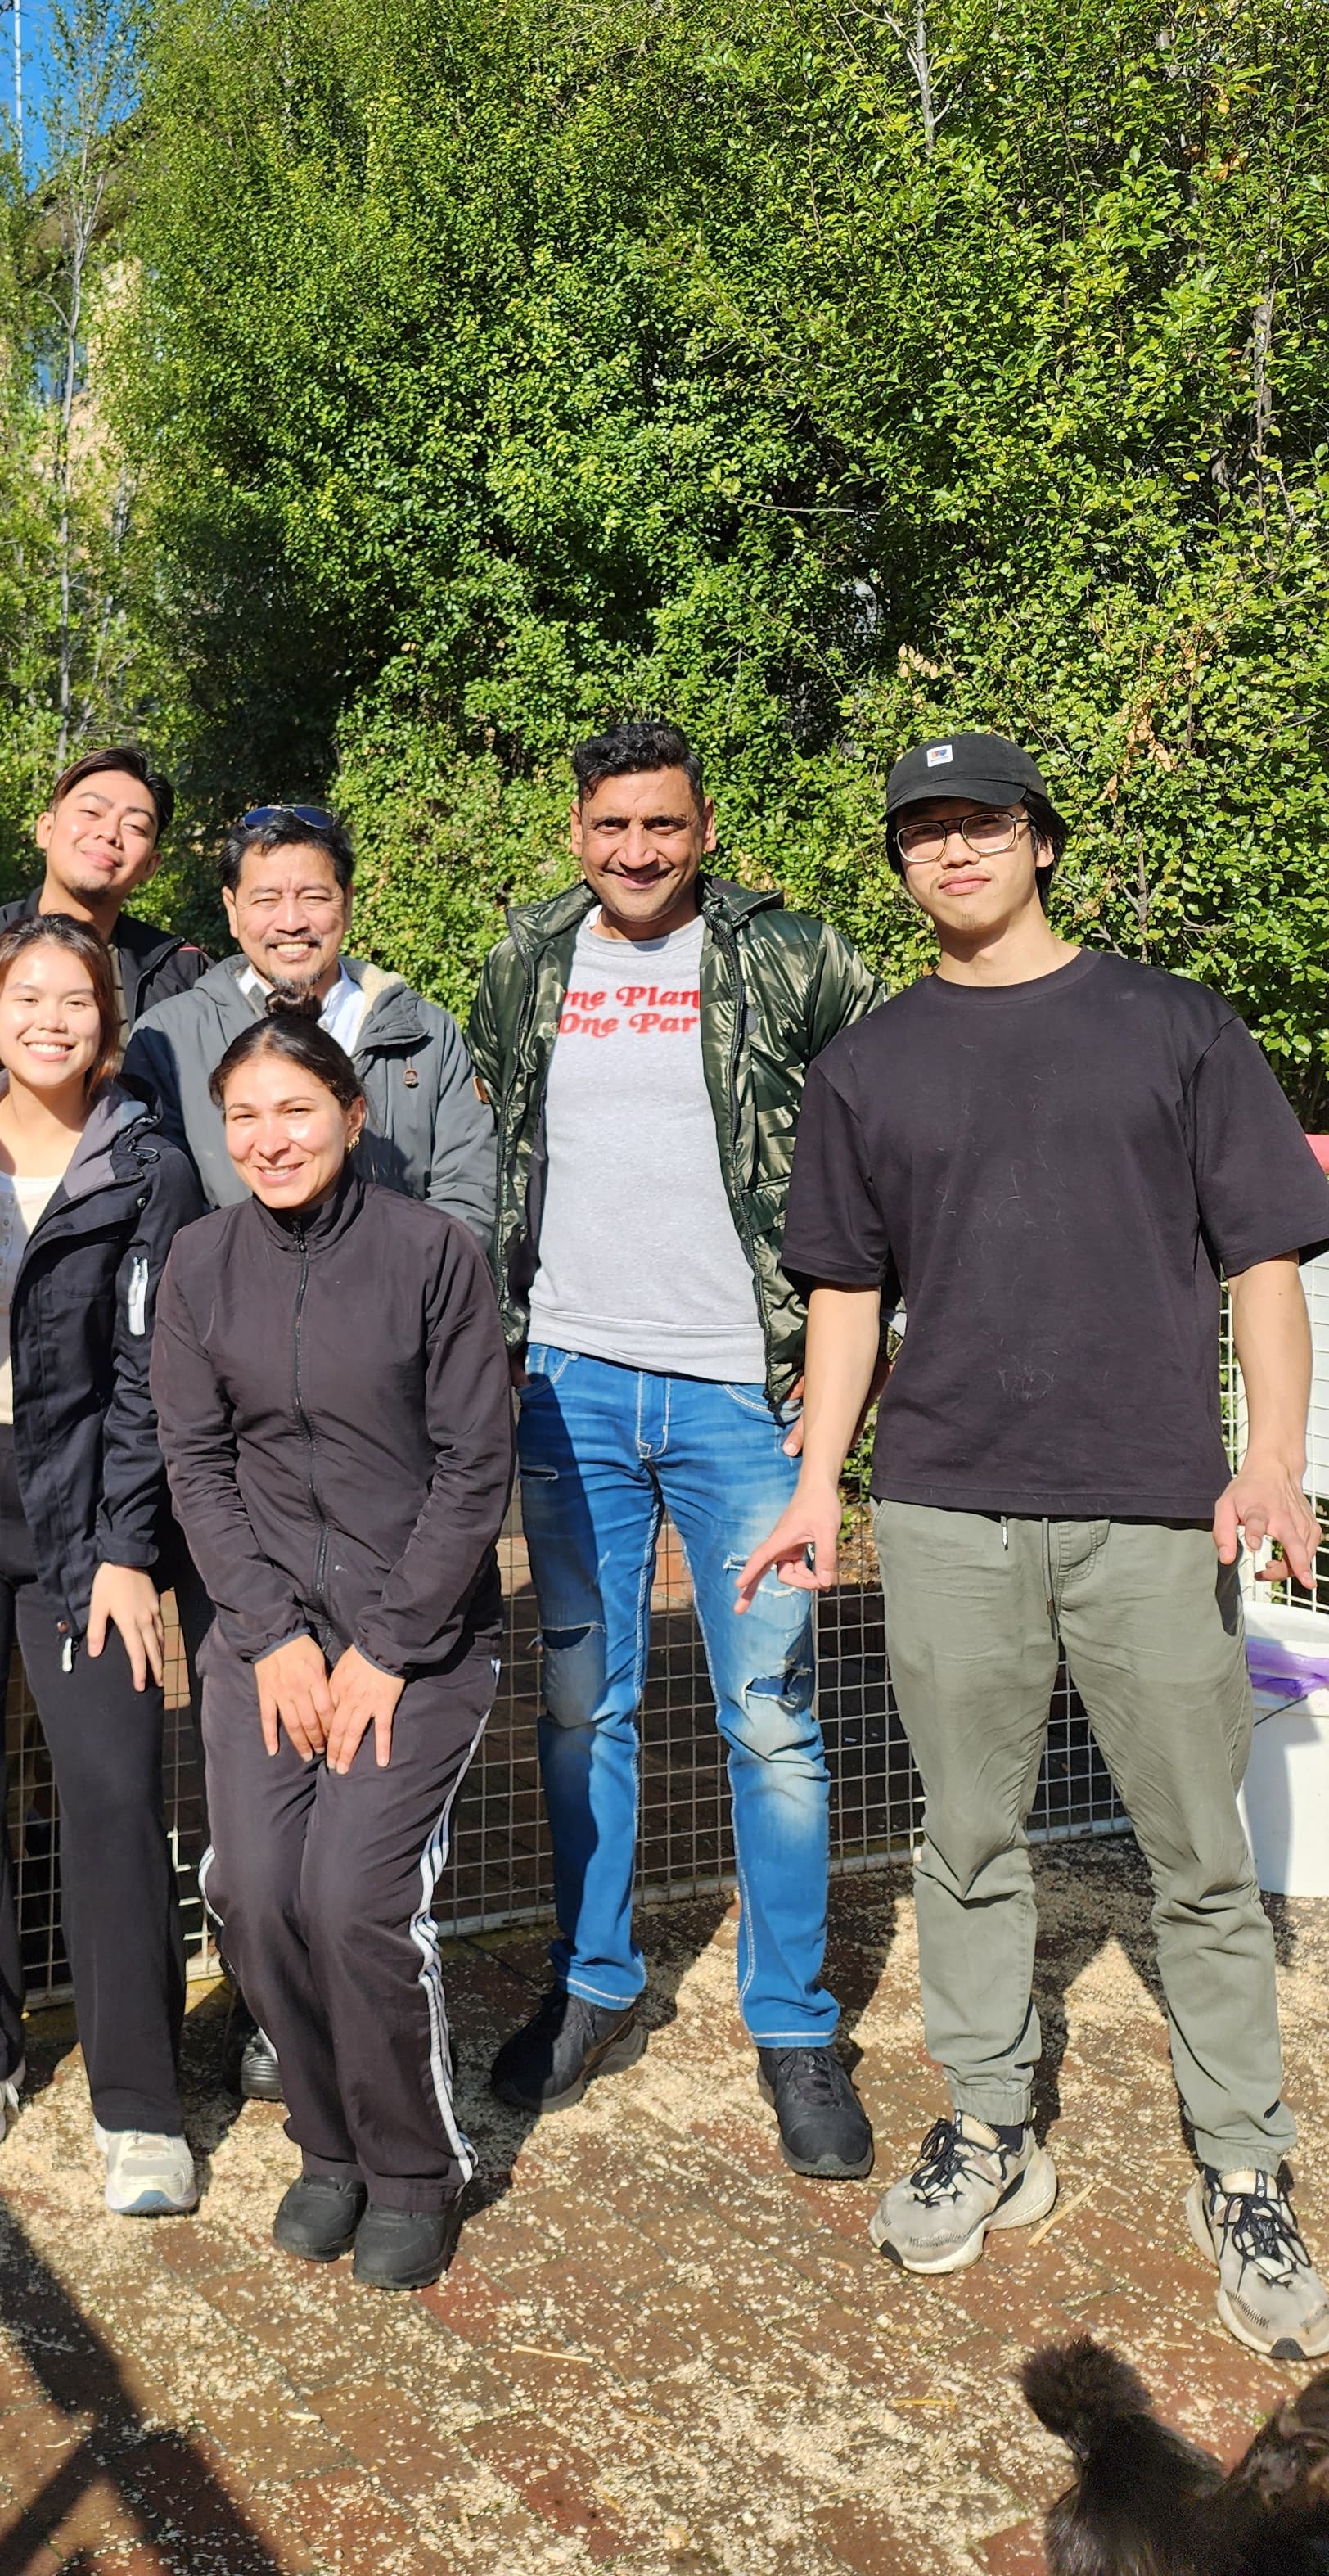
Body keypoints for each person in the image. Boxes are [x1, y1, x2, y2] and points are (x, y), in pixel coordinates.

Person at [740, 730, 1329, 2357]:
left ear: (1041, 842)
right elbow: (845, 1295)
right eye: (922, 830)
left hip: (1153, 1503)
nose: (951, 850)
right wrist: (816, 1480)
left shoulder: (1174, 1025)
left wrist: (1271, 1457)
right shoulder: (871, 1064)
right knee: (968, 1840)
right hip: (944, 1505)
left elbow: (1265, 1260)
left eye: (979, 823)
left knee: (1199, 1856)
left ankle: (1244, 2163)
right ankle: (992, 2127)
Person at [466, 718, 885, 2177]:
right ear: (575, 831)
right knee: (582, 1708)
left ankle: (792, 2024)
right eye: (610, 828)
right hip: (568, 1386)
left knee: (770, 1721)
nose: (637, 852)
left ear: (705, 830)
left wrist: (848, 1346)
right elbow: (495, 1154)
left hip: (738, 1397)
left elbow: (894, 1121)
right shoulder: (528, 961)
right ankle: (592, 1985)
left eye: (664, 826)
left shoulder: (795, 958)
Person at [151, 1013, 514, 2291]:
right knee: (252, 1890)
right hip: (266, 1643)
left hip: (417, 1643)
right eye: (243, 1117)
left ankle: (416, 2167)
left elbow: (476, 1470)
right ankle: (331, 2144)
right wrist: (268, 1636)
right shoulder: (200, 1264)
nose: (269, 1139)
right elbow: (195, 1464)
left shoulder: (432, 1255)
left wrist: (389, 1647)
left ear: (353, 1116)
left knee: (353, 1897)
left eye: (294, 1112)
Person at [0, 914, 209, 2213]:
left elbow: (151, 1377)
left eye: (78, 999)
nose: (52, 1020)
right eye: (29, 997)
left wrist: (131, 1546)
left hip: (87, 1510)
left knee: (113, 1783)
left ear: (108, 1019)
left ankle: (140, 2099)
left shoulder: (150, 1167)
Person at [124, 803, 494, 1239]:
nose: (292, 922)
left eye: (314, 897)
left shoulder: (425, 1036)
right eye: (266, 900)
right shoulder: (168, 1038)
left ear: (348, 901)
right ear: (232, 908)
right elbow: (162, 1211)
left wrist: (404, 1289)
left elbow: (468, 1197)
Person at [0, 744, 212, 1080]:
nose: (109, 833)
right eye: (91, 813)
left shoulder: (183, 973)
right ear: (46, 829)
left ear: (151, 866)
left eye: (135, 827)